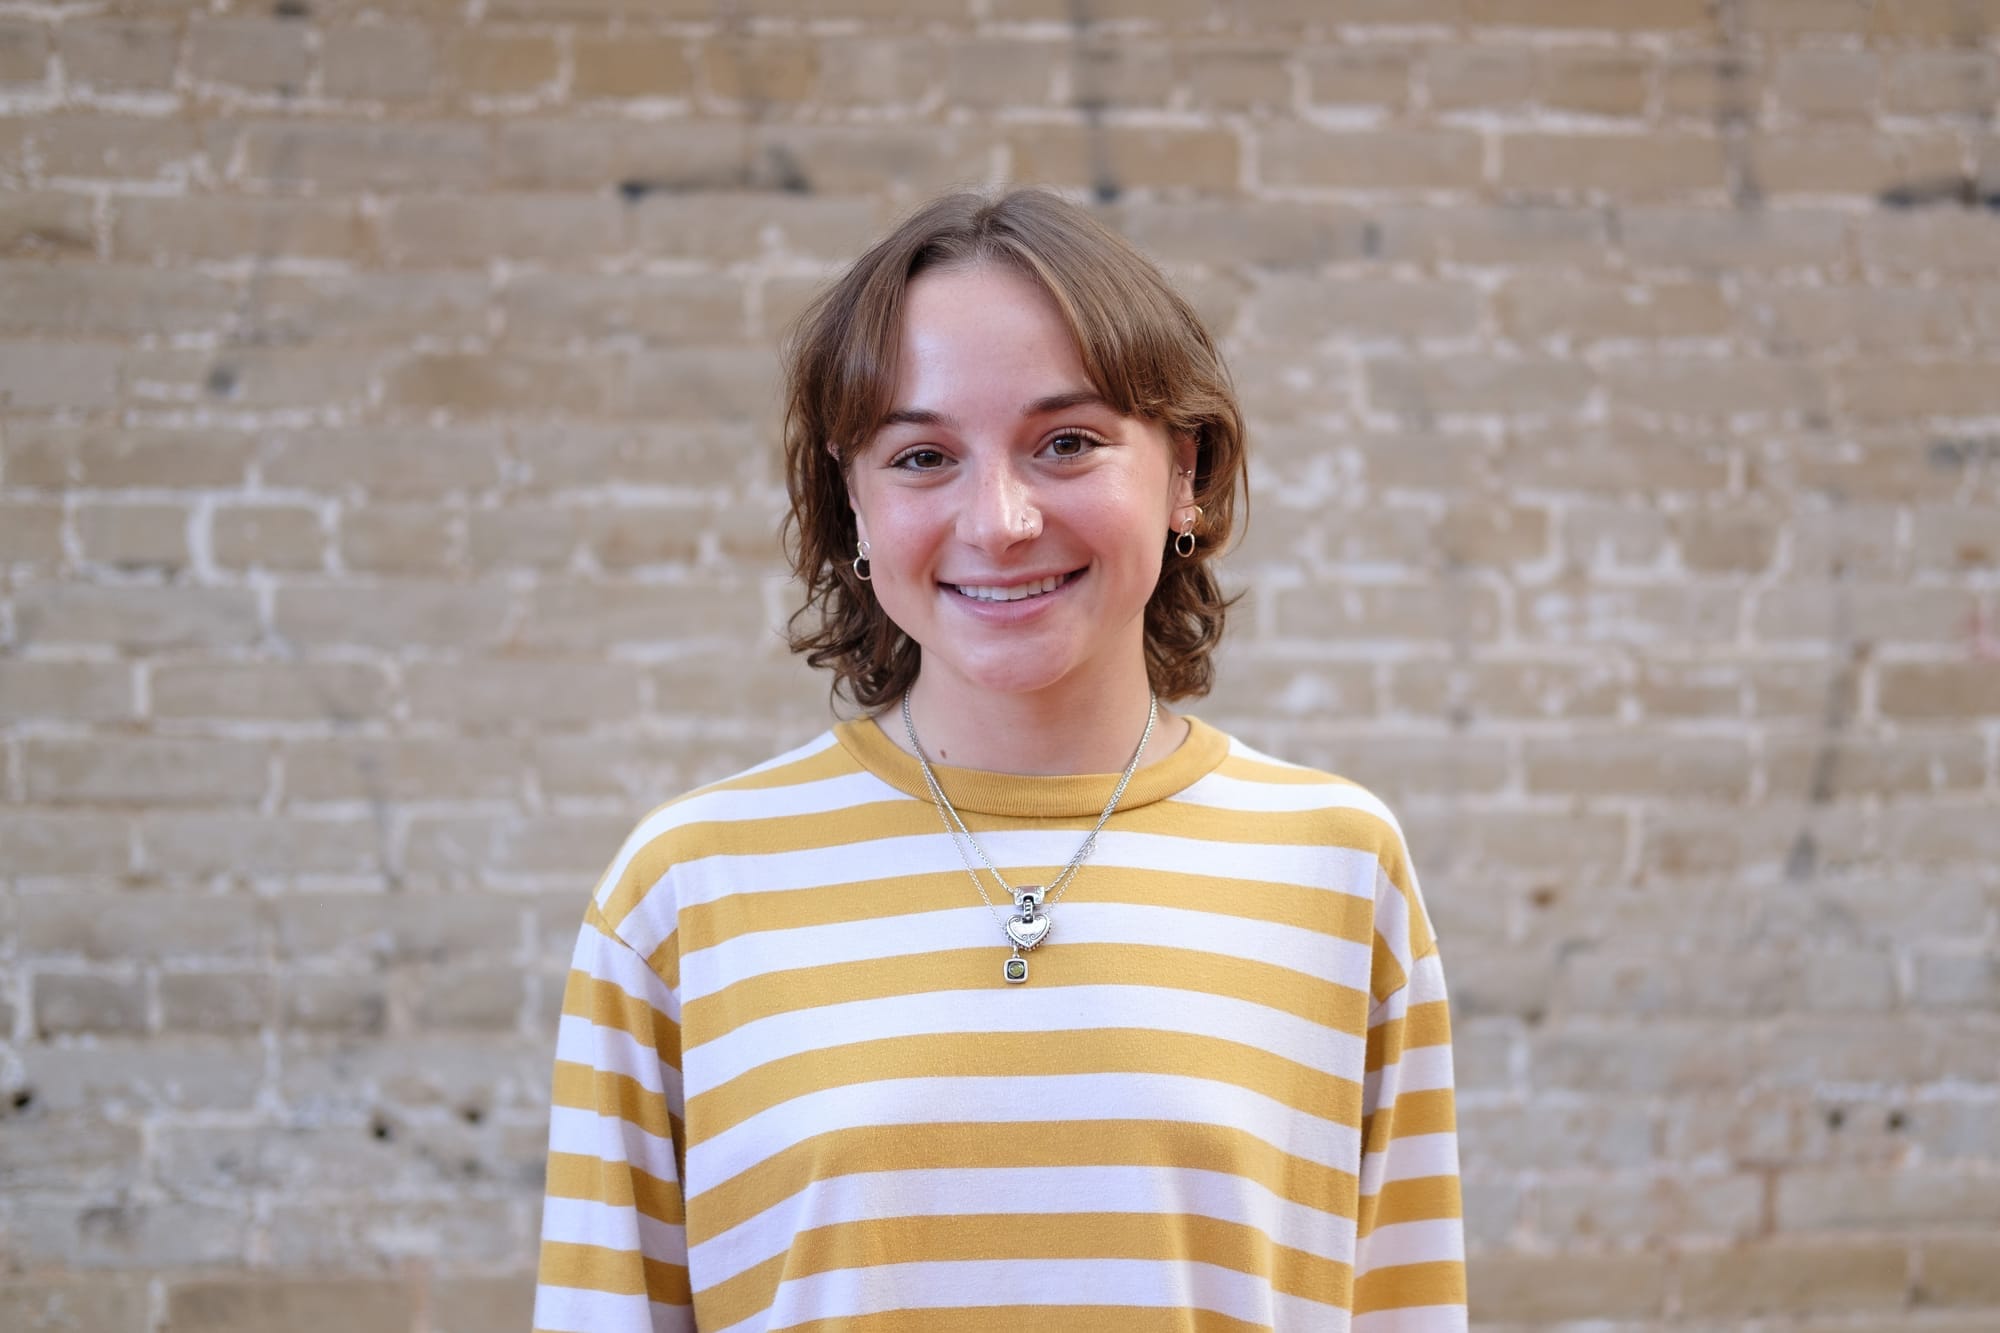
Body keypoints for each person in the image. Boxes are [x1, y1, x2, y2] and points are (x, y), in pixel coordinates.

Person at [531, 189, 1467, 1332]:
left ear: (1185, 470)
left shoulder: (1338, 868)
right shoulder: (683, 890)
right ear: (853, 504)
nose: (1001, 518)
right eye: (922, 455)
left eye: (1065, 442)